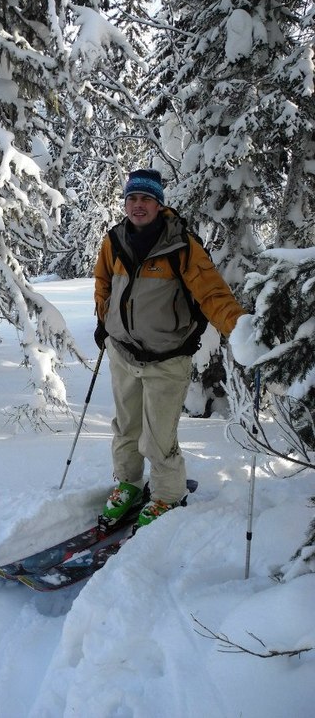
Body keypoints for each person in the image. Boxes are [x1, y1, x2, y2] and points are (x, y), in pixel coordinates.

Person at [93, 169, 246, 527]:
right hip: (122, 352)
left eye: (146, 199)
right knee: (126, 427)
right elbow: (103, 282)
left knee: (159, 435)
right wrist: (104, 322)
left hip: (167, 358)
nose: (138, 205)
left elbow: (212, 293)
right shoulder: (113, 241)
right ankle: (128, 483)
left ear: (160, 204)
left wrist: (239, 331)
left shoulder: (181, 245)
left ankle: (167, 495)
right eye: (132, 198)